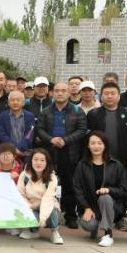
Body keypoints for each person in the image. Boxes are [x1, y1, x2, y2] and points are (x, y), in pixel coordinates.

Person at [36, 82, 88, 229]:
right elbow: (39, 129)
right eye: (57, 90)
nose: (60, 93)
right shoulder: (46, 111)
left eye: (63, 90)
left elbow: (82, 130)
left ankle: (70, 216)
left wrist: (65, 140)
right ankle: (45, 215)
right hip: (49, 151)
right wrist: (51, 139)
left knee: (69, 184)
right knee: (47, 183)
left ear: (69, 93)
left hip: (69, 152)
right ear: (52, 93)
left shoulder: (77, 111)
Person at [74, 130, 127, 248]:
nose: (96, 146)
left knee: (105, 197)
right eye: (93, 143)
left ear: (105, 145)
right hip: (91, 207)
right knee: (90, 225)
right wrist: (86, 207)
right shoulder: (82, 165)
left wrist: (109, 190)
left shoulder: (116, 165)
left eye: (100, 143)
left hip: (111, 206)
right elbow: (77, 189)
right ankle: (98, 227)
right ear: (88, 146)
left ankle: (108, 234)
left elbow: (124, 189)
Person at [16, 148, 65, 244]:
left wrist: (42, 218)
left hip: (47, 205)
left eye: (42, 160)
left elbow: (48, 199)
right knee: (25, 212)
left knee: (53, 208)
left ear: (47, 162)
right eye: (35, 159)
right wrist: (29, 206)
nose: (38, 163)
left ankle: (55, 232)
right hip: (31, 206)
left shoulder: (52, 177)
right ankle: (33, 231)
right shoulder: (24, 175)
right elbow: (20, 194)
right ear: (31, 160)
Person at [86, 82, 127, 167]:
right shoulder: (93, 114)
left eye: (113, 93)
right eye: (106, 93)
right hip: (99, 159)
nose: (109, 96)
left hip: (124, 159)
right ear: (101, 97)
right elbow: (87, 137)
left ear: (119, 96)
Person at [0, 90, 36, 156]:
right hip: (7, 151)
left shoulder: (30, 116)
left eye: (18, 100)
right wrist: (14, 148)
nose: (15, 102)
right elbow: (2, 135)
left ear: (23, 102)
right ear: (8, 103)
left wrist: (20, 148)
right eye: (12, 100)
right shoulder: (1, 116)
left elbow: (29, 134)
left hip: (25, 151)